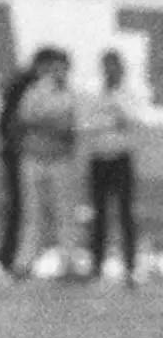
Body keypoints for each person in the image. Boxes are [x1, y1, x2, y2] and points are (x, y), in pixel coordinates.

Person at [13, 46, 79, 280]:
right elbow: (27, 117)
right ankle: (25, 262)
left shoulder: (71, 94)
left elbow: (72, 126)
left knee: (64, 213)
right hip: (34, 157)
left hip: (60, 159)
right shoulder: (35, 90)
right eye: (56, 67)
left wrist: (48, 121)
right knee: (33, 213)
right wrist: (53, 121)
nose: (60, 71)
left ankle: (68, 263)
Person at [81, 49, 141, 286]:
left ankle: (130, 265)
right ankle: (96, 263)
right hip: (99, 157)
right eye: (106, 66)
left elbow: (132, 119)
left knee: (125, 212)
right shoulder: (92, 91)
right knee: (99, 212)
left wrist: (114, 103)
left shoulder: (130, 92)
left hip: (121, 157)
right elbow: (86, 123)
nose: (110, 71)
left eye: (114, 66)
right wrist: (109, 120)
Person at [0, 51, 43, 273]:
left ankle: (11, 251)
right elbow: (13, 122)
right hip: (20, 152)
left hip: (16, 151)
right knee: (21, 204)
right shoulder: (26, 87)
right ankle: (11, 253)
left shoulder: (19, 86)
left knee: (18, 204)